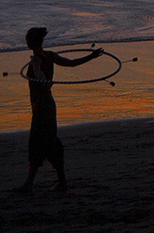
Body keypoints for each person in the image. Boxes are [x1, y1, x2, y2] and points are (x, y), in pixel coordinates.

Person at [17, 27, 104, 192]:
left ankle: (34, 183)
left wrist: (44, 81)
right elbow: (70, 63)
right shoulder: (50, 55)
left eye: (28, 39)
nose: (26, 41)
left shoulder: (36, 60)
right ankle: (51, 181)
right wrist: (90, 56)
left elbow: (42, 80)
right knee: (48, 141)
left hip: (41, 106)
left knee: (40, 142)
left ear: (31, 42)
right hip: (49, 105)